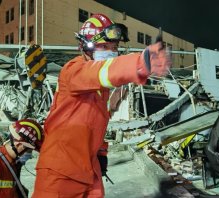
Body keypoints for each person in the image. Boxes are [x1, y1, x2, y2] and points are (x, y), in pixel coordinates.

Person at [33, 13, 171, 197]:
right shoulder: (73, 70)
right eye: (104, 46)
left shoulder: (100, 89)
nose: (111, 52)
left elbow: (92, 123)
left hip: (88, 169)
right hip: (59, 172)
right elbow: (104, 72)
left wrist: (101, 152)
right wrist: (141, 62)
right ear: (86, 47)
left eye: (114, 47)